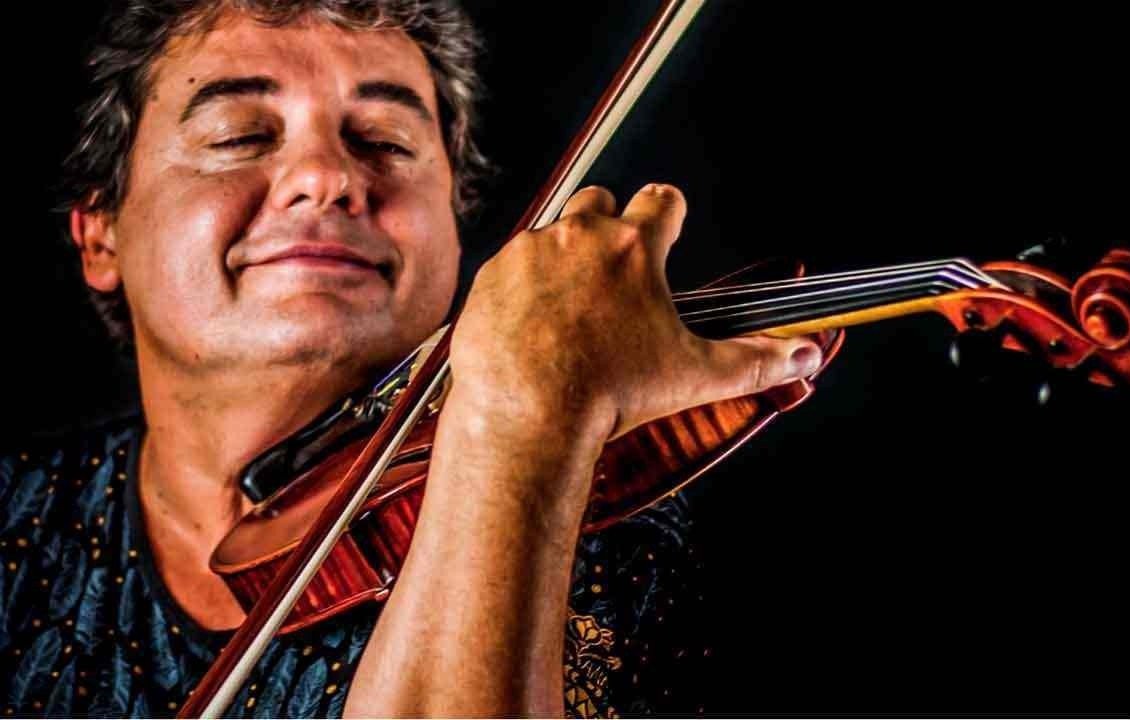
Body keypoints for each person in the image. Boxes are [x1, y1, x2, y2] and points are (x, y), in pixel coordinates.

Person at [0, 0, 821, 716]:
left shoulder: (614, 547)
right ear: (100, 234)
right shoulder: (17, 516)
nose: (326, 177)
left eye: (386, 142)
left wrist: (516, 424)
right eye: (240, 135)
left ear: (456, 229)